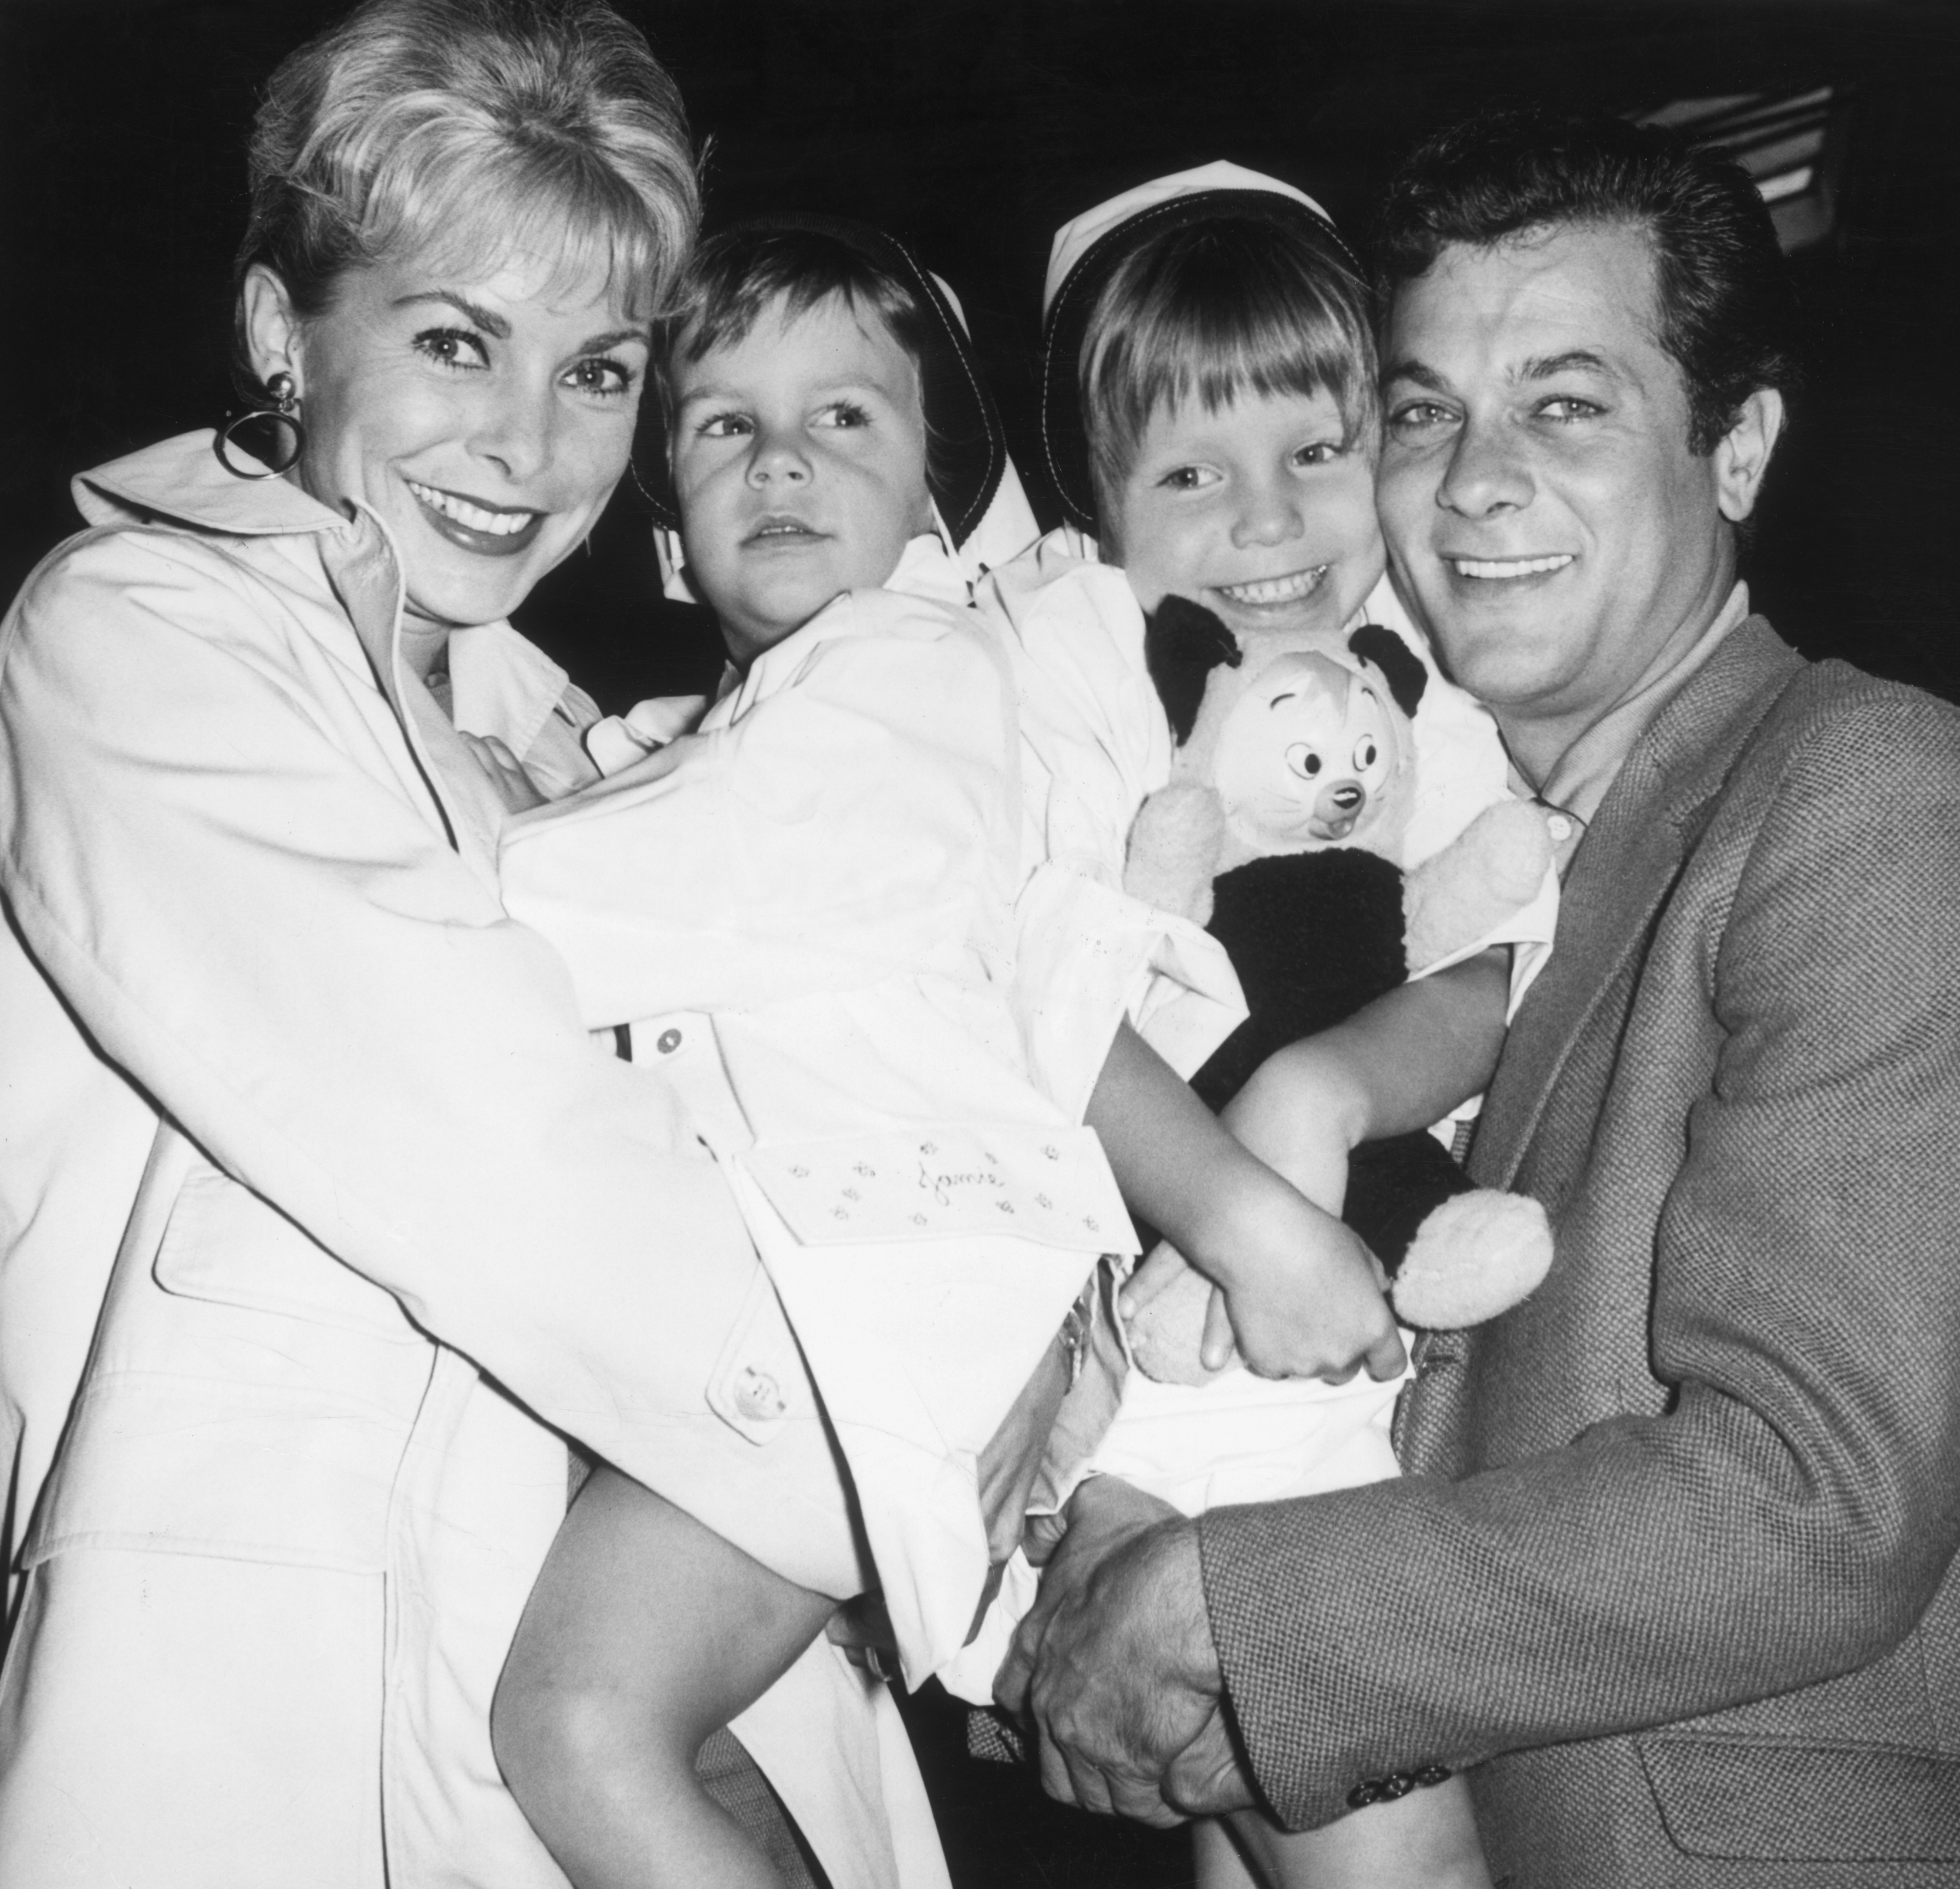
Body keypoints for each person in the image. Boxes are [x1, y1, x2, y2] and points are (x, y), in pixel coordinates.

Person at [998, 104, 1960, 1888]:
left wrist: (1224, 1607)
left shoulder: (1868, 791)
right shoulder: (1453, 856)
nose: (1475, 481)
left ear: (1738, 449)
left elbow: (1816, 1497)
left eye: (1568, 403)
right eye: (1423, 413)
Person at [0, 6, 903, 1884]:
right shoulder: (140, 636)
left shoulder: (600, 749)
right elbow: (473, 1118)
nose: (529, 445)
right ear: (277, 333)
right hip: (268, 1709)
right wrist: (903, 1447)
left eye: (601, 370)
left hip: (662, 1710)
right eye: (455, 341)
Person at [484, 214, 1412, 1889]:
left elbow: (586, 906)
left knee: (580, 1722)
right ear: (676, 551)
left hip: (881, 1319)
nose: (782, 459)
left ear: (932, 503)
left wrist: (447, 849)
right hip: (907, 1317)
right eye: (725, 426)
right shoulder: (800, 718)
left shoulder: (897, 672)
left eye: (845, 417)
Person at [974, 163, 1557, 1889]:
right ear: (1097, 503)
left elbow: (1505, 958)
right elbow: (1028, 994)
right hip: (1131, 1353)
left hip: (1344, 1359)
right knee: (1399, 1852)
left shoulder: (1425, 674)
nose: (1271, 523)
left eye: (1316, 449)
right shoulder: (1059, 664)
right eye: (1191, 474)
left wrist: (1314, 1096)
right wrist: (1238, 1205)